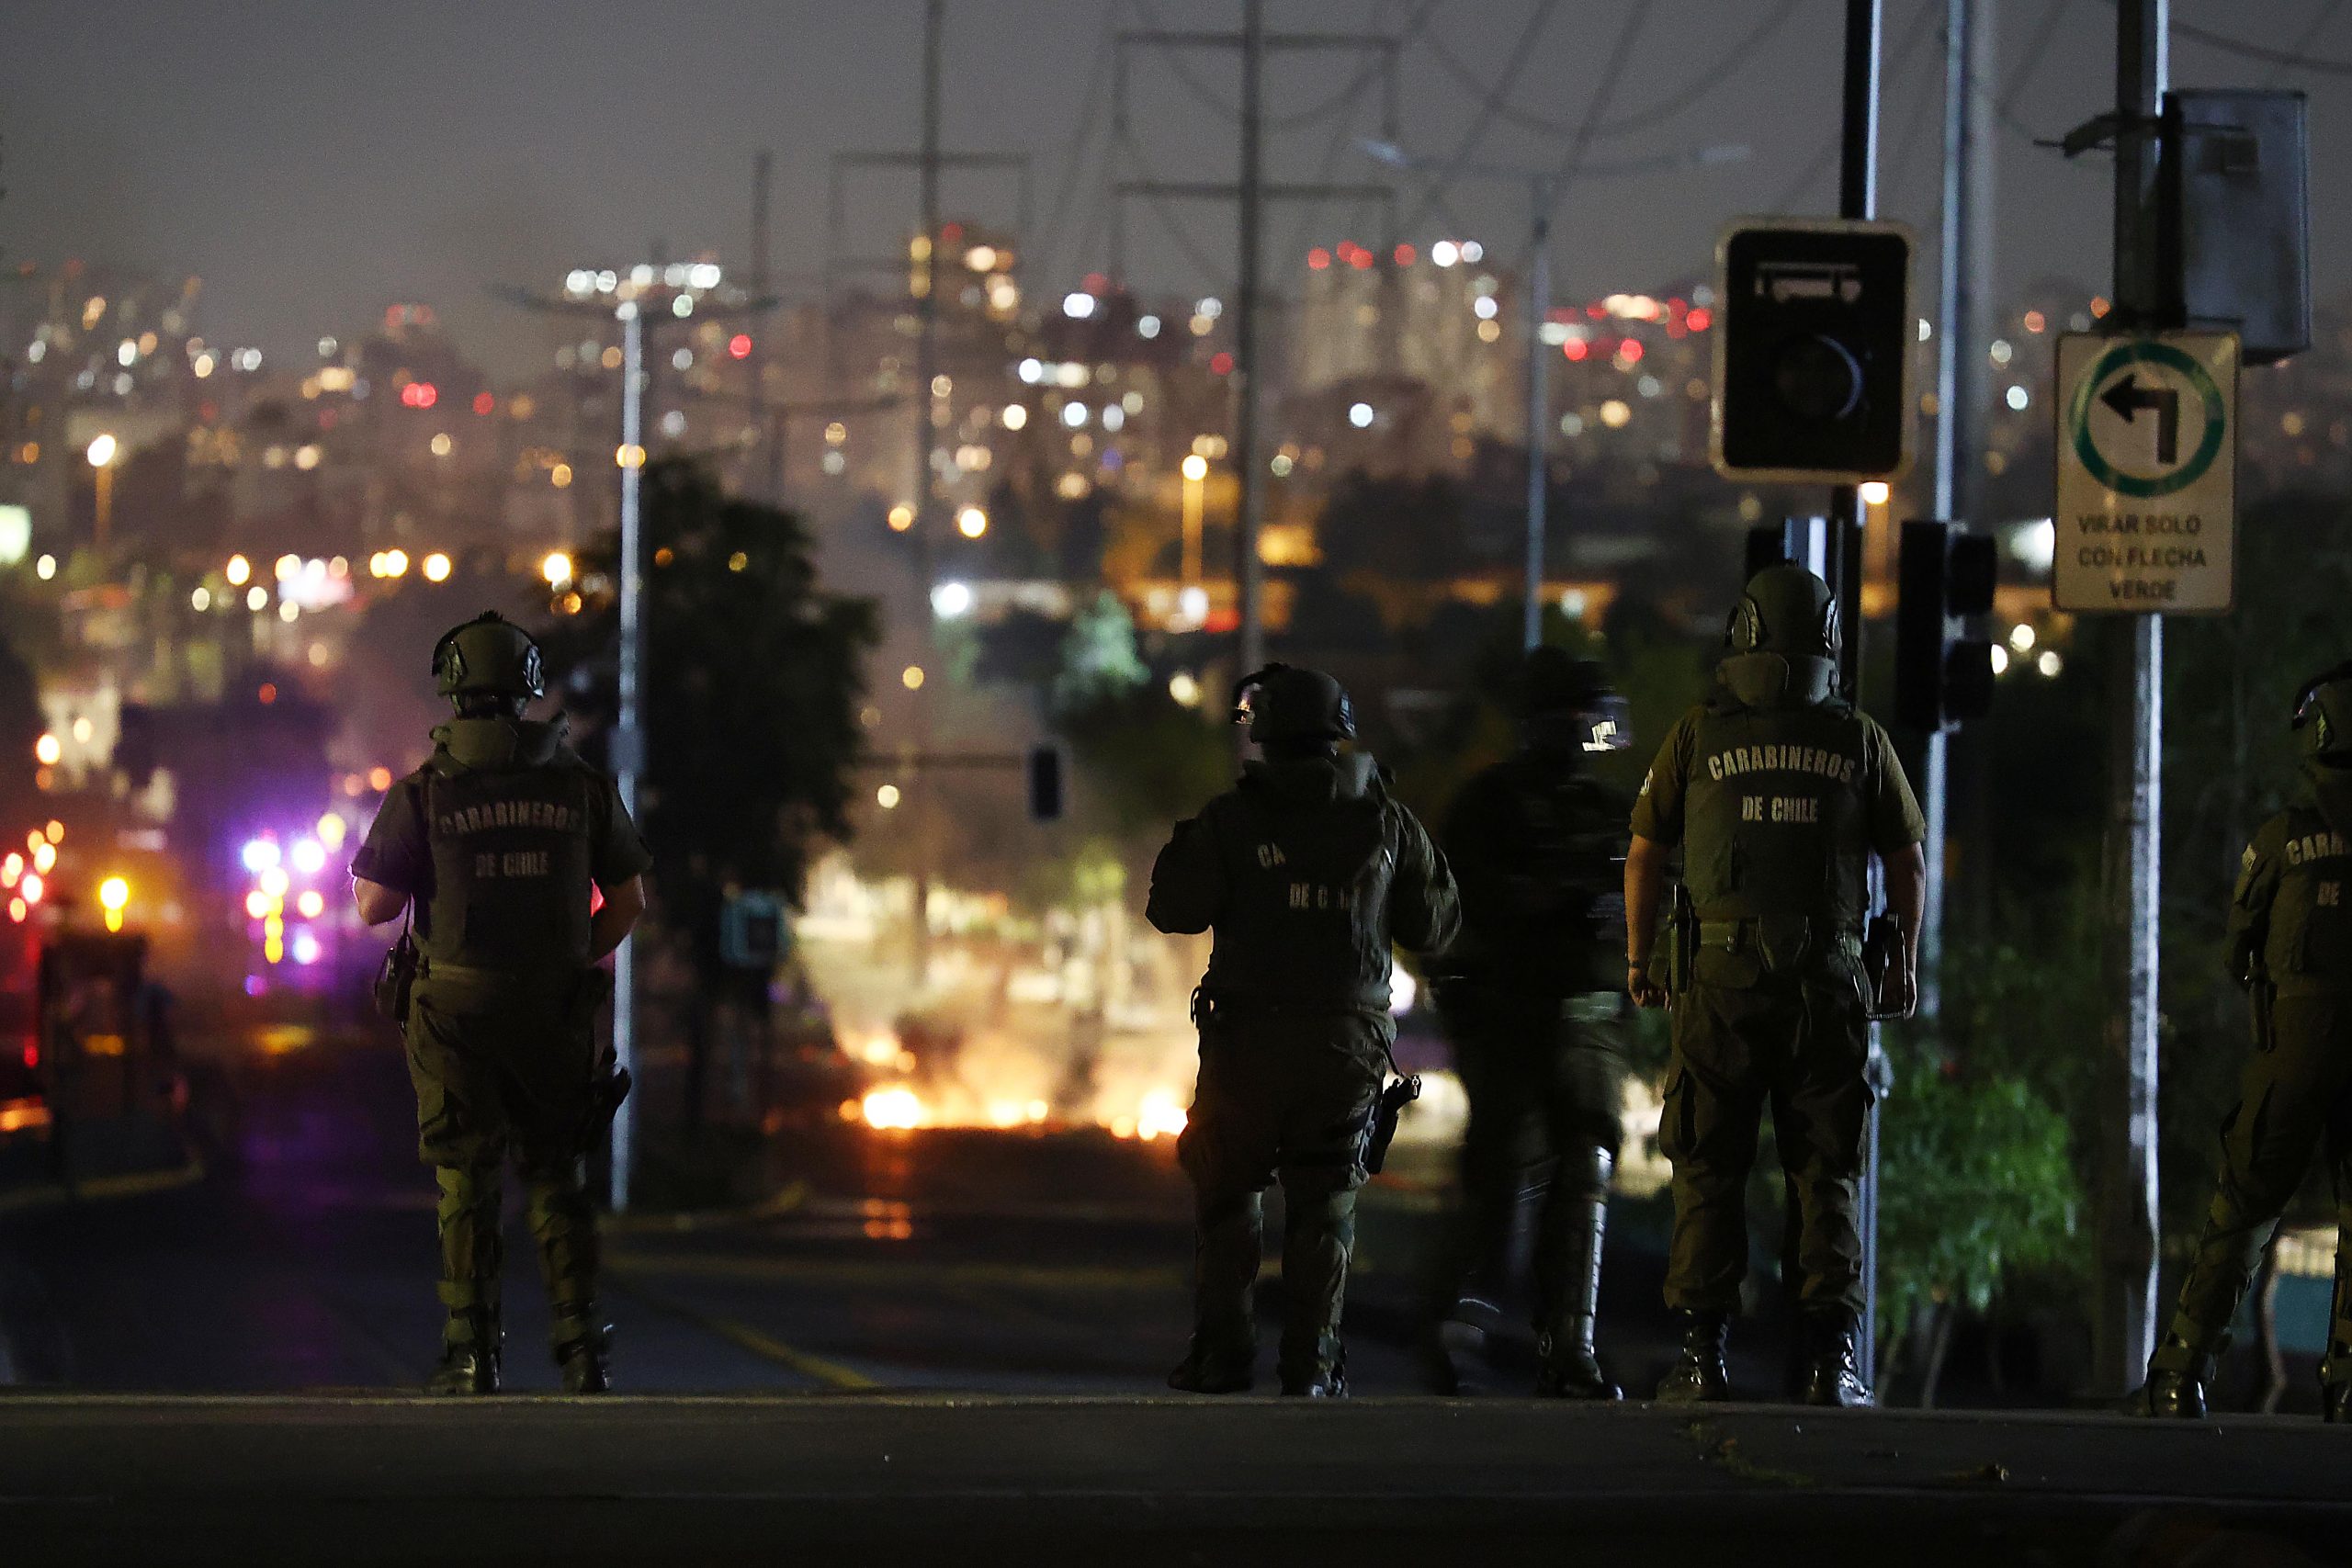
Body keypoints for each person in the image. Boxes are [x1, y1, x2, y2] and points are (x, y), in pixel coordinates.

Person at [1624, 566, 1925, 1407]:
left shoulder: (1697, 734)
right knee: (1826, 1170)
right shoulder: (1859, 739)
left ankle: (1701, 1359)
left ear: (1744, 634)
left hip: (1718, 986)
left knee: (1708, 1166)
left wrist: (1641, 961)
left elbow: (1644, 853)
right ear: (1829, 640)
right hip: (1825, 985)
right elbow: (1908, 859)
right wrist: (1901, 962)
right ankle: (1832, 1364)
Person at [351, 612, 650, 1394]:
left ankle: (471, 1354)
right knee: (557, 1177)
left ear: (453, 689)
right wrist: (567, 957)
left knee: (466, 1181)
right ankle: (583, 1352)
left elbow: (375, 906)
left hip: (453, 1016)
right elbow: (628, 901)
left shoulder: (425, 791)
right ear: (529, 689)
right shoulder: (582, 787)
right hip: (554, 1014)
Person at [1148, 663, 1460, 1397]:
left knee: (1229, 1196)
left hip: (1246, 1047)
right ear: (1337, 733)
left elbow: (1171, 906)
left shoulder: (1233, 818)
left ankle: (1222, 1356)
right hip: (1344, 1051)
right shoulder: (1386, 821)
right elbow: (1436, 924)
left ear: (1264, 734)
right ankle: (1313, 1364)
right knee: (1325, 1206)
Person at [2136, 663, 2352, 1420]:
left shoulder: (2283, 837)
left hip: (2292, 1049)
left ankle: (2180, 1373)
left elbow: (2238, 950)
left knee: (2242, 1208)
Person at [1431, 648, 1633, 1399]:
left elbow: (1650, 894)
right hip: (1512, 1017)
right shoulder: (1489, 805)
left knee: (1587, 1168)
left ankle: (1569, 1346)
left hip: (1592, 1017)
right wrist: (1551, 899)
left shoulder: (1611, 809)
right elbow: (1463, 905)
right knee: (1506, 1179)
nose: (1595, 731)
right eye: (1581, 716)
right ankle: (1462, 1327)